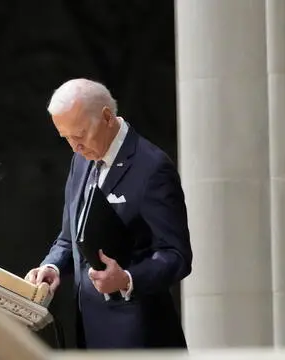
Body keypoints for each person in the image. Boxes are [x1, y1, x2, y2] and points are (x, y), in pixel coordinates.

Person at [25, 78, 192, 349]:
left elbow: (177, 256)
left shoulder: (152, 167)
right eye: (65, 138)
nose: (74, 147)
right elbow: (70, 237)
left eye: (79, 135)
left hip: (139, 338)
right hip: (88, 335)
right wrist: (51, 266)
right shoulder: (80, 159)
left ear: (106, 117)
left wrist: (127, 279)